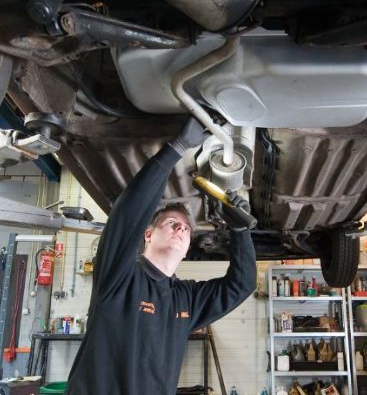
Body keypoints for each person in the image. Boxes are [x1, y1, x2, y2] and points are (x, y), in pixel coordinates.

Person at [65, 118, 257, 394]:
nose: (181, 228)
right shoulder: (120, 276)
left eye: (186, 228)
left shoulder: (186, 299)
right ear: (147, 234)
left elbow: (241, 285)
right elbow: (128, 214)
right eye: (170, 223)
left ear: (189, 245)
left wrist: (240, 231)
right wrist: (176, 148)